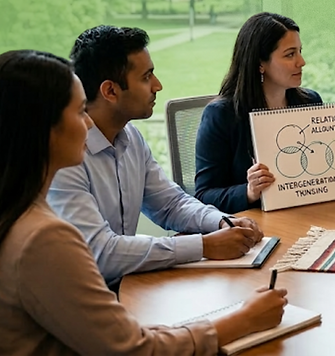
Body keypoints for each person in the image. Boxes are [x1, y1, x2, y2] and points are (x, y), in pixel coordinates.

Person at [0, 49, 287, 355]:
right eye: (79, 111)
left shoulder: (20, 211)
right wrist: (242, 319)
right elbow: (133, 349)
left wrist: (220, 222)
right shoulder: (43, 236)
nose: (87, 124)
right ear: (42, 129)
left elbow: (170, 203)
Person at [47, 26, 263, 290]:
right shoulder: (66, 158)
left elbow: (170, 204)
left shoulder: (131, 137)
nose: (158, 85)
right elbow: (100, 253)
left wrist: (221, 221)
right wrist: (204, 245)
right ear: (110, 91)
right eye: (146, 76)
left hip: (127, 285)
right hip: (82, 297)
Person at [195, 12, 335, 213]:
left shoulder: (310, 102)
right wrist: (248, 192)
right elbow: (204, 196)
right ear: (260, 64)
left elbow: (322, 171)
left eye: (300, 51)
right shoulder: (221, 115)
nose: (301, 62)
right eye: (290, 54)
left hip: (310, 217)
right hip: (255, 227)